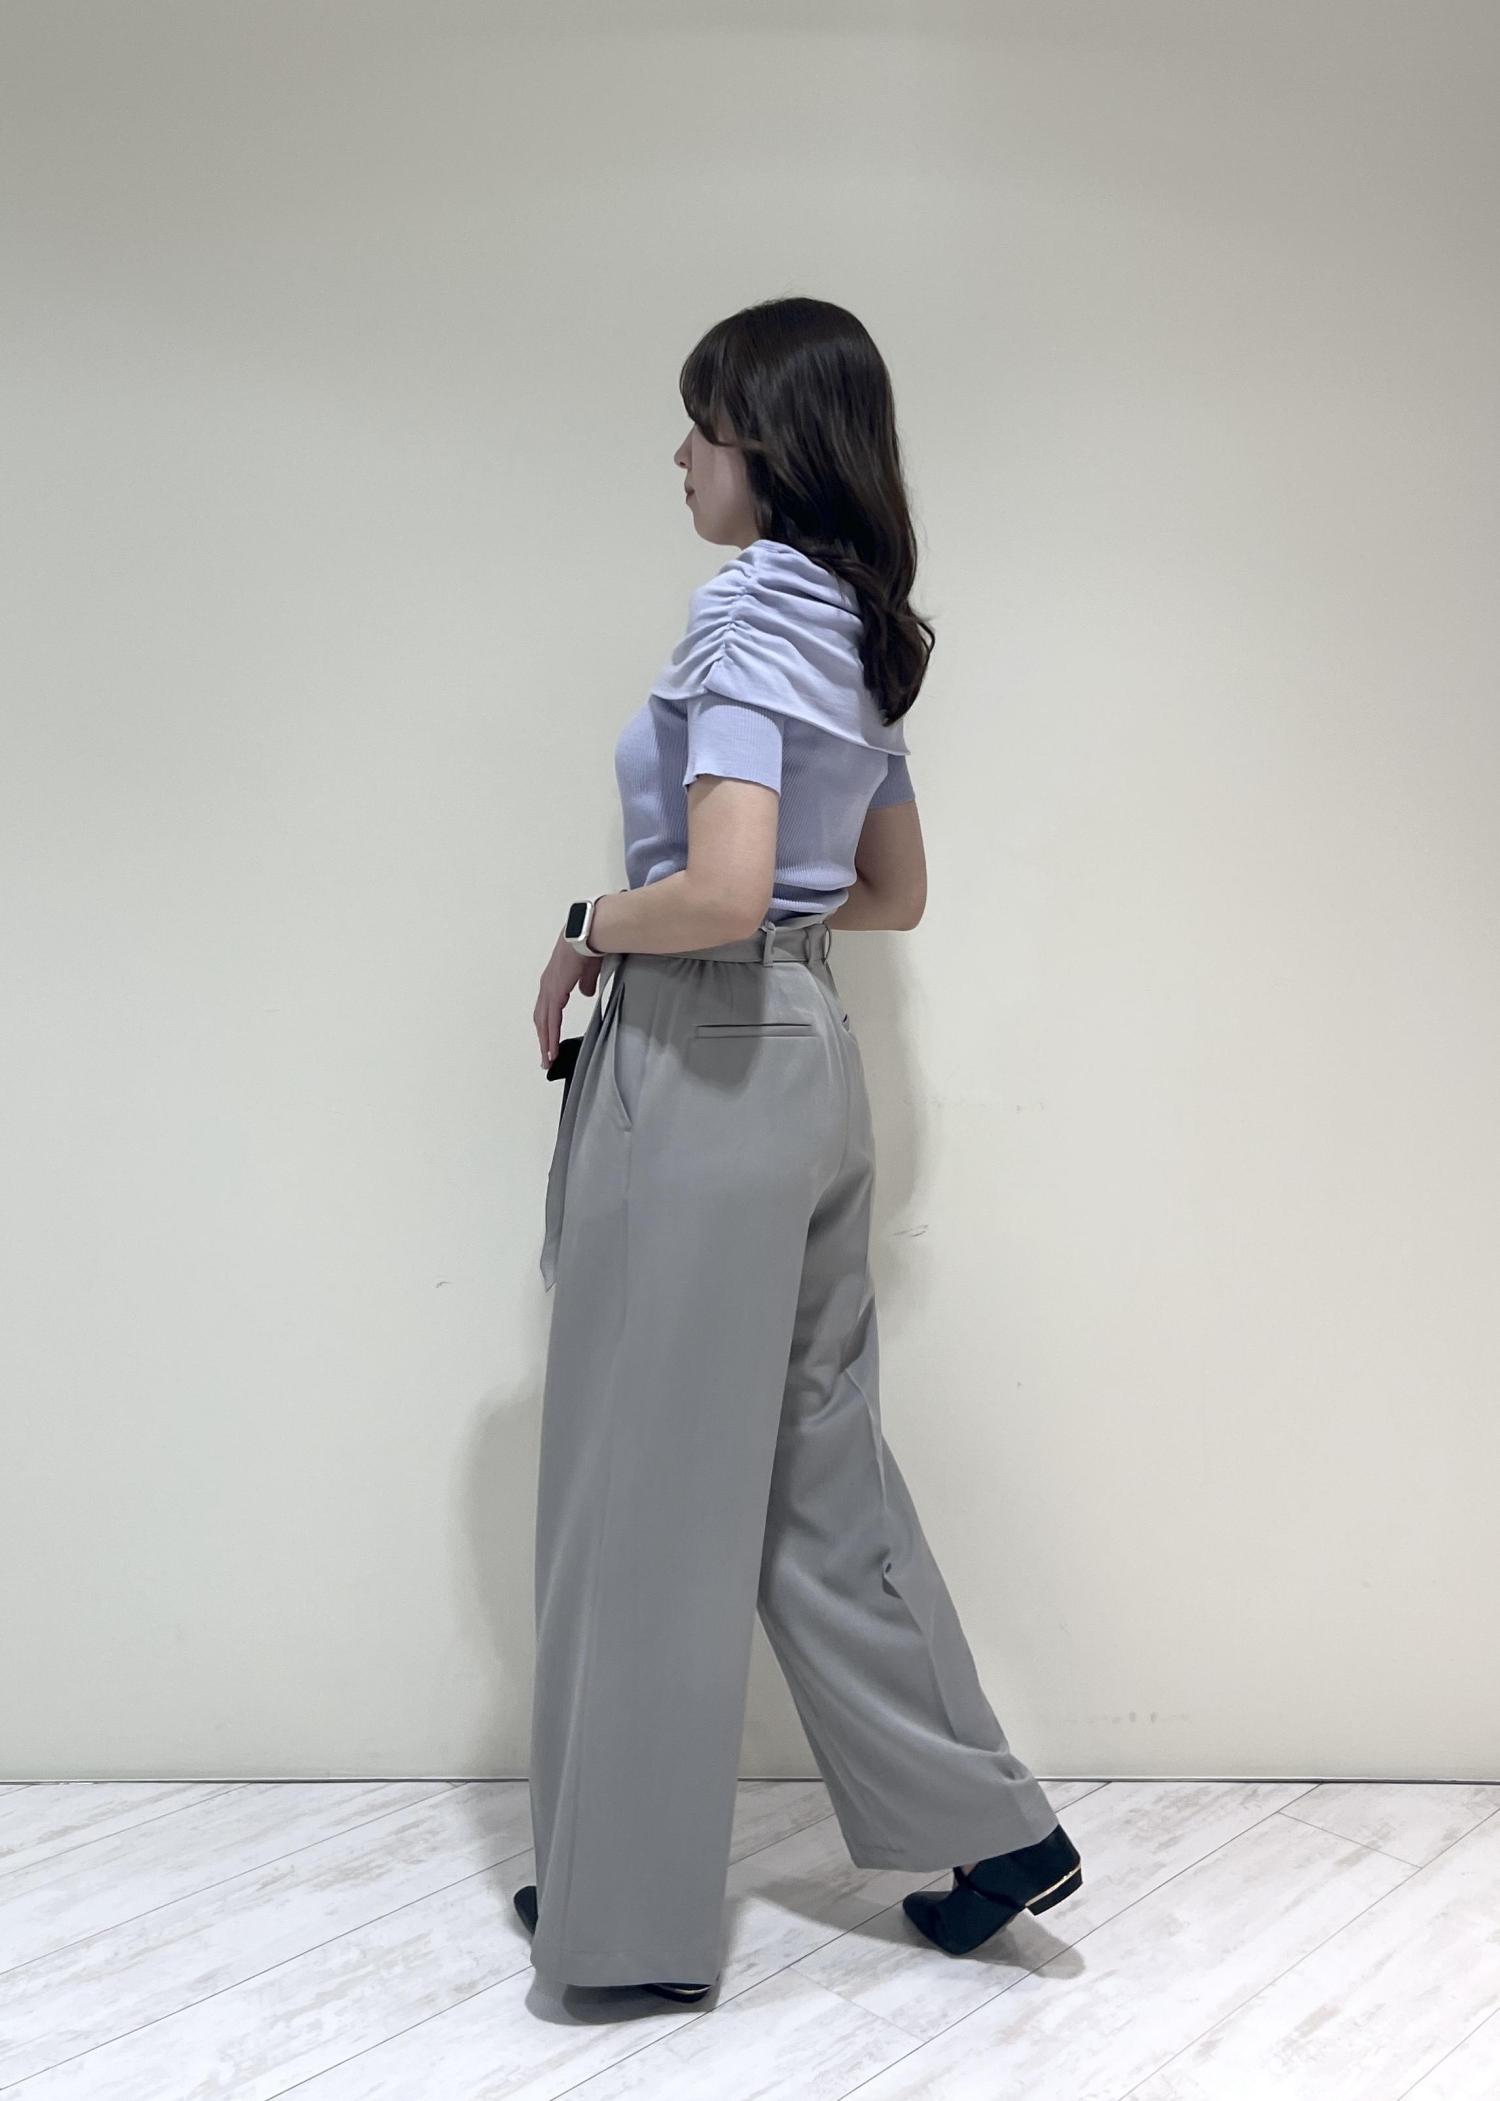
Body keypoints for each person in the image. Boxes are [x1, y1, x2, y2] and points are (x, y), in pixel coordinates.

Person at [513, 296, 1081, 2003]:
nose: (681, 456)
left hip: (702, 1065)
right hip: (812, 1062)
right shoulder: (850, 625)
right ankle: (986, 1826)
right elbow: (888, 893)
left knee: (648, 1482)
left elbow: (723, 888)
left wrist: (588, 924)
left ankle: (622, 1924)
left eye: (701, 425)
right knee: (811, 1465)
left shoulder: (750, 607)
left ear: (763, 442)